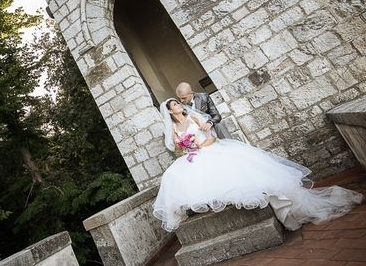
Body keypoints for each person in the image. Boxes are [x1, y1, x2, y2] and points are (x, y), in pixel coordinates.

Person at [152, 98, 363, 232]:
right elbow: (177, 148)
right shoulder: (172, 128)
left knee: (228, 167)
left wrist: (202, 143)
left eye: (179, 103)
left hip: (210, 146)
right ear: (170, 112)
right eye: (175, 105)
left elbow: (211, 135)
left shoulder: (195, 118)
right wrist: (188, 148)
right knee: (174, 174)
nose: (179, 106)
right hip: (195, 154)